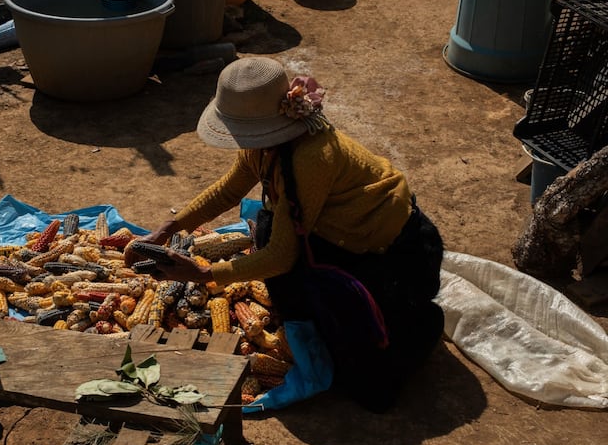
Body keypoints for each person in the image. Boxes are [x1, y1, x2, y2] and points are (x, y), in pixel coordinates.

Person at [125, 56, 445, 412]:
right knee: (269, 234)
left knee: (366, 384)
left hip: (395, 252)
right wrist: (168, 229)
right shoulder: (262, 146)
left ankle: (422, 323)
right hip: (335, 232)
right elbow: (228, 191)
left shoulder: (311, 158)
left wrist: (204, 274)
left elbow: (281, 255)